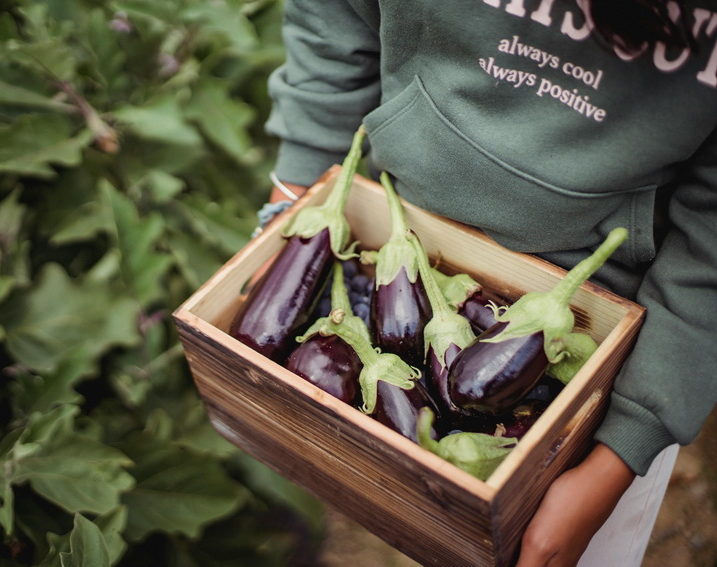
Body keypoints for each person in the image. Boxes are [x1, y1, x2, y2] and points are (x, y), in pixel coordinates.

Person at [261, 0, 717, 565]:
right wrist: (292, 207)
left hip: (619, 363)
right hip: (394, 257)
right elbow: (334, 23)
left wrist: (620, 453)